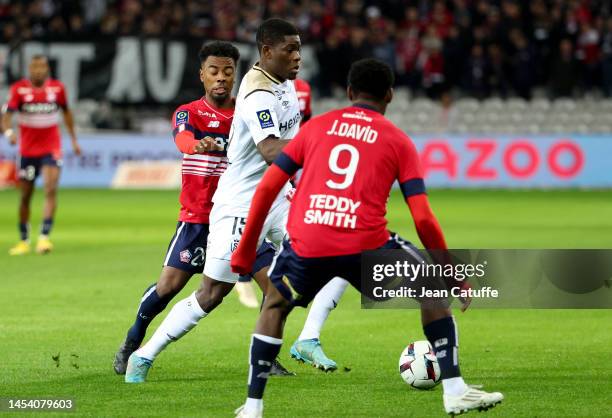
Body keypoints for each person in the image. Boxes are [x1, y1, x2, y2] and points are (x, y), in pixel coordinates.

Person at [231, 58, 504, 417]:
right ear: (390, 95)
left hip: (309, 241)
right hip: (366, 245)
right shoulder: (398, 140)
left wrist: (244, 252)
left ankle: (252, 407)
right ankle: (454, 391)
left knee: (275, 307)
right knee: (432, 287)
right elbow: (422, 215)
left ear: (348, 93)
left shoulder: (315, 129)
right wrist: (451, 272)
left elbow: (267, 188)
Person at [124, 18, 305, 383]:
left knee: (293, 276)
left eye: (228, 71)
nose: (222, 78)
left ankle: (285, 348)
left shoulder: (272, 93)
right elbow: (265, 150)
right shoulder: (229, 104)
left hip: (269, 202)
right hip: (221, 211)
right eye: (291, 49)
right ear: (202, 75)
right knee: (196, 291)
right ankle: (138, 350)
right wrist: (197, 145)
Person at [2, 55, 81, 255]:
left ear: (47, 69)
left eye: (42, 66)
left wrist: (73, 140)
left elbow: (67, 113)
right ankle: (23, 240)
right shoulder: (19, 89)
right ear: (29, 68)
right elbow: (6, 117)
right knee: (26, 196)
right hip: (27, 151)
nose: (38, 70)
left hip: (51, 148)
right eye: (34, 66)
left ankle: (44, 238)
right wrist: (9, 133)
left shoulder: (57, 89)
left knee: (50, 188)